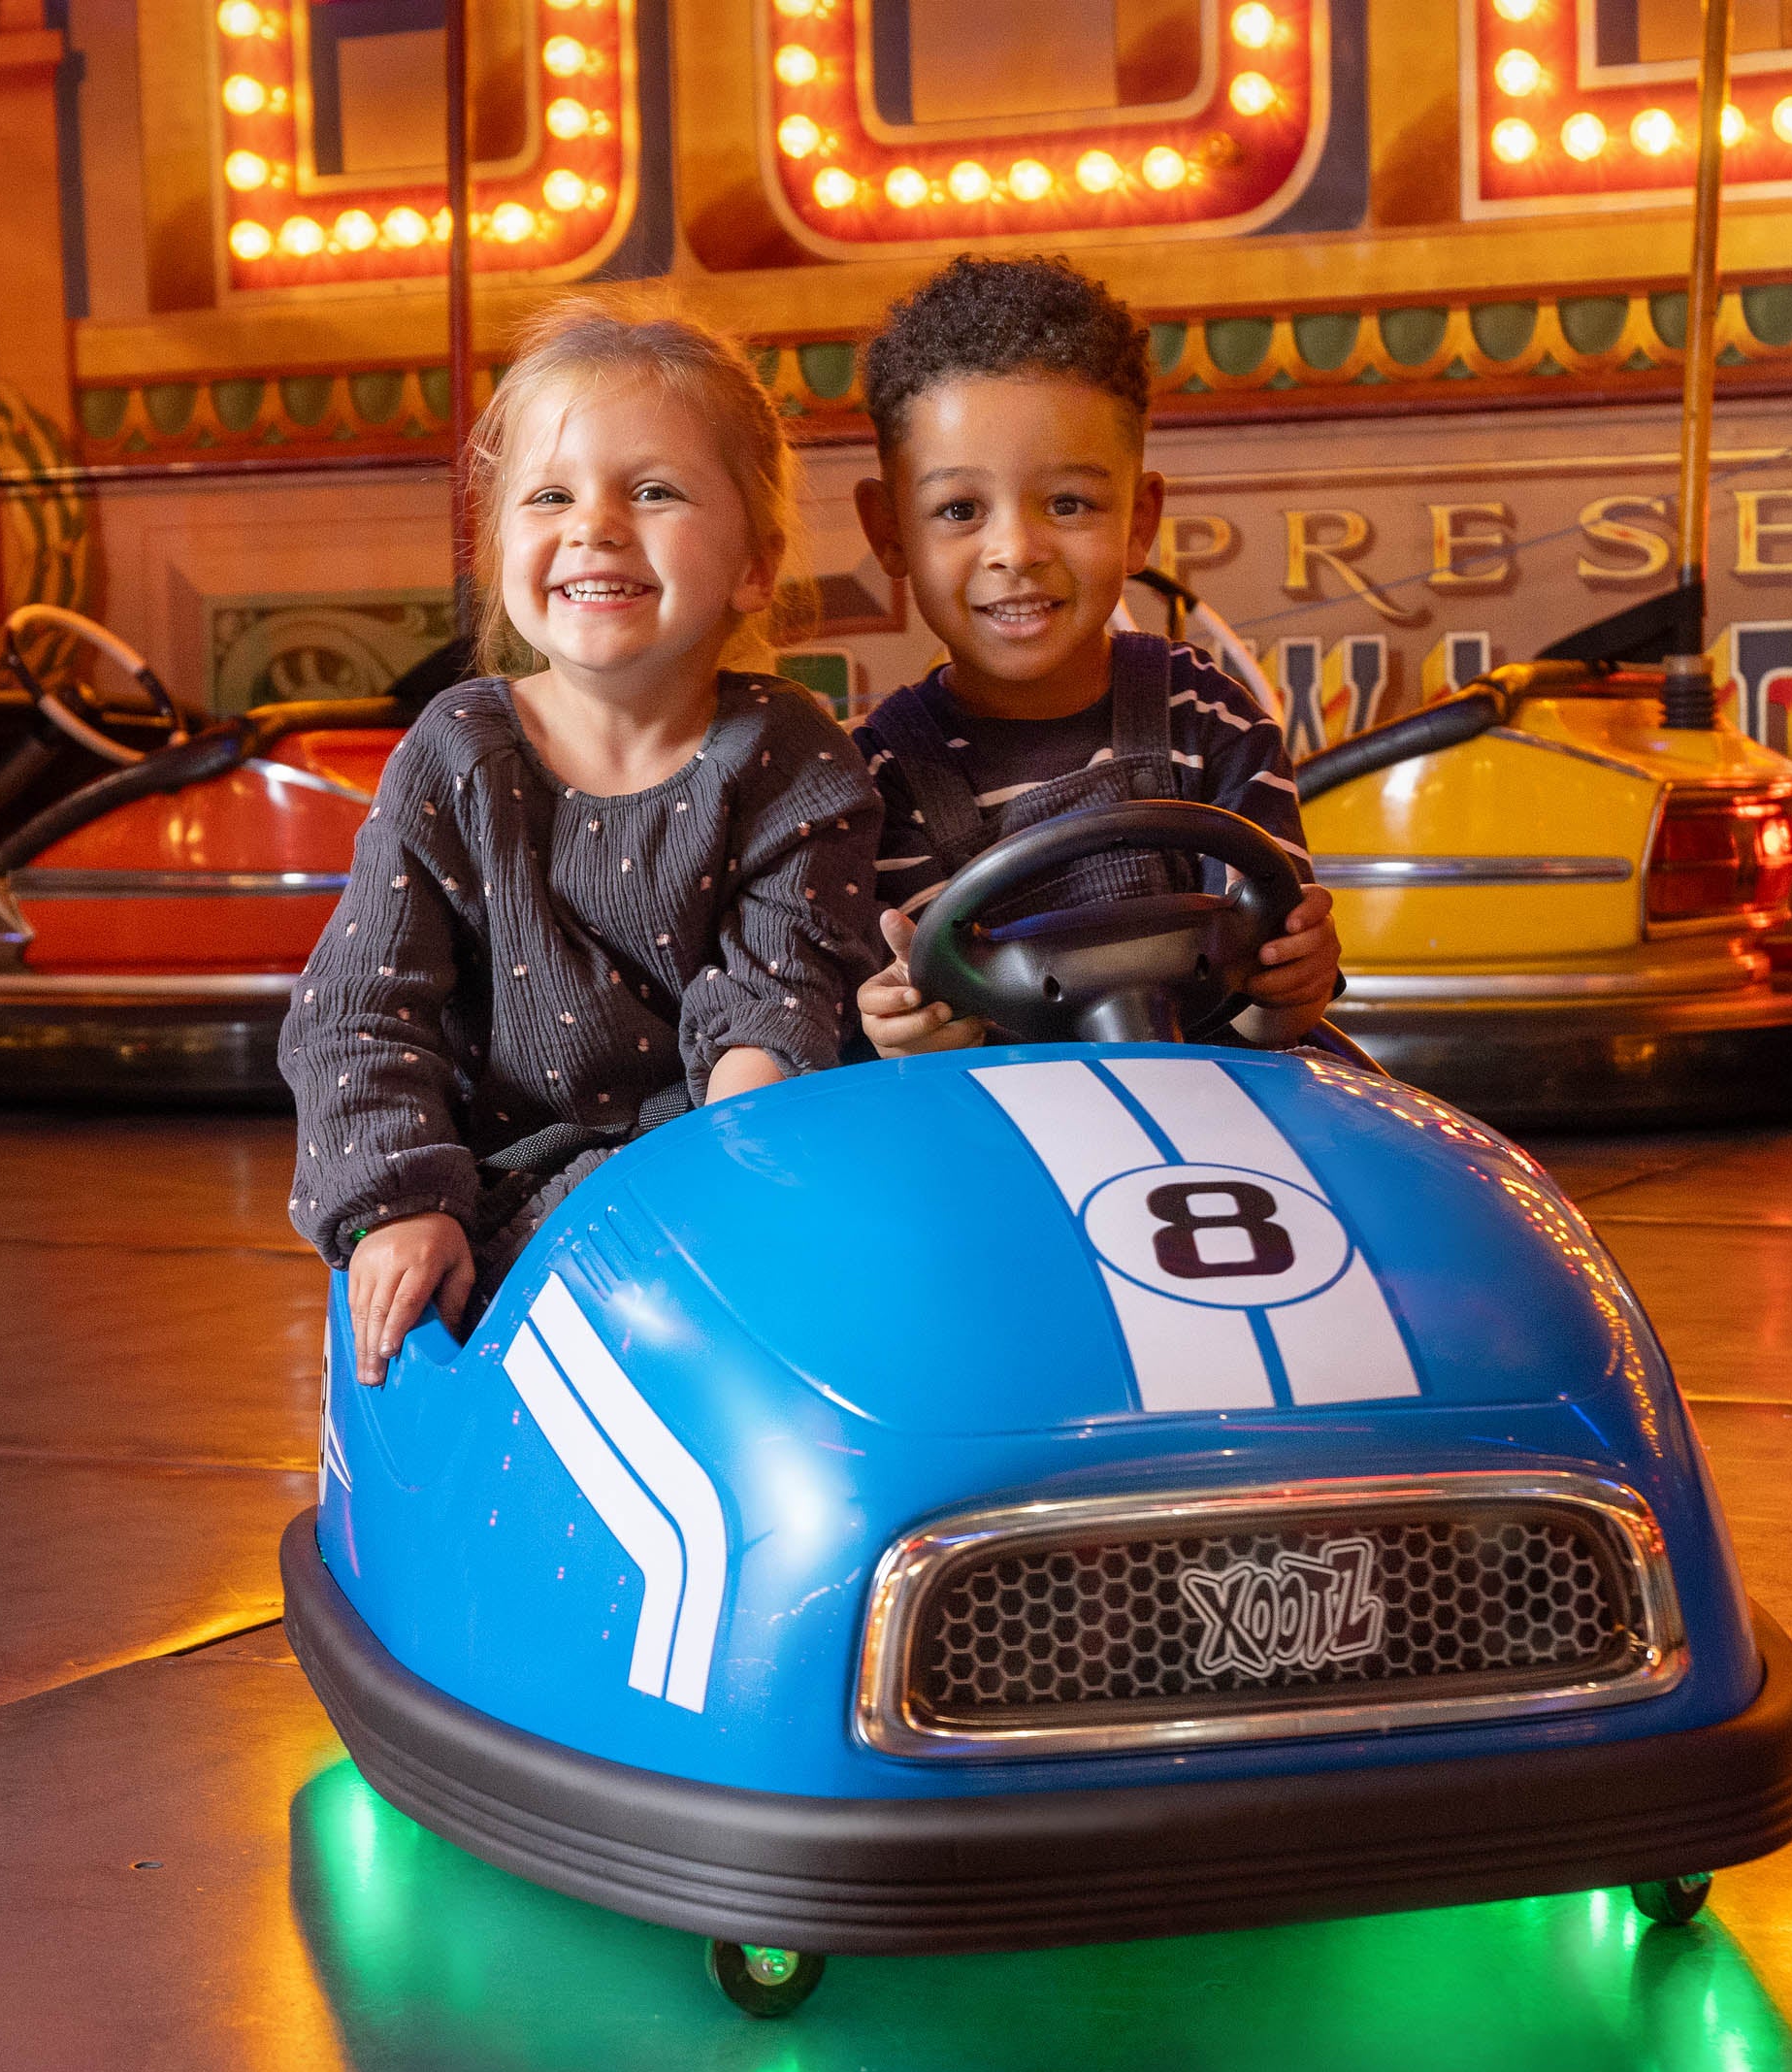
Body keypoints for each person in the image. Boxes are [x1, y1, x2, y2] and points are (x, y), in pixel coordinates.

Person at [283, 301, 882, 1384]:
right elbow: (357, 1011)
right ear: (501, 545)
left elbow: (777, 998)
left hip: (715, 1171)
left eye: (652, 492)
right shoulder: (460, 750)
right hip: (506, 1195)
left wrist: (735, 1198)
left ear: (755, 563)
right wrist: (403, 1203)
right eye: (551, 496)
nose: (596, 525)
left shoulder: (788, 752)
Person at [848, 252, 1339, 1056]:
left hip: (1217, 1099)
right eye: (959, 509)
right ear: (888, 531)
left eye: (1068, 503)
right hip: (1008, 1143)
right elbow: (901, 1047)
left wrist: (1293, 984)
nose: (1015, 549)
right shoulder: (875, 782)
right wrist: (905, 1033)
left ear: (1139, 520)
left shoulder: (1208, 718)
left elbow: (1267, 1015)